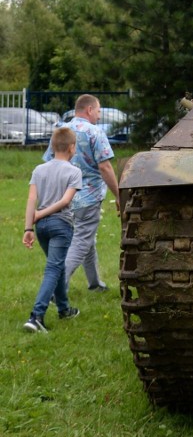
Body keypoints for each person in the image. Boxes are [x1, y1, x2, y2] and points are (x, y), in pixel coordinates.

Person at [43, 94, 119, 293]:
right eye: (99, 111)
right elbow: (105, 167)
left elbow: (49, 162)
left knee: (86, 239)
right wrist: (119, 195)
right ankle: (55, 289)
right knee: (81, 242)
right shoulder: (95, 132)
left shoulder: (61, 131)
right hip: (88, 197)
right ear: (89, 110)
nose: (99, 116)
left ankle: (95, 283)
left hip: (62, 198)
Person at [24, 127, 83, 332]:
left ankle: (64, 309)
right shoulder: (74, 171)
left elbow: (32, 199)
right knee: (53, 268)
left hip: (41, 228)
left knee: (57, 266)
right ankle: (36, 316)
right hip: (61, 225)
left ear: (52, 146)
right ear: (72, 148)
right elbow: (66, 201)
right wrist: (41, 214)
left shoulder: (39, 170)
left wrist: (28, 228)